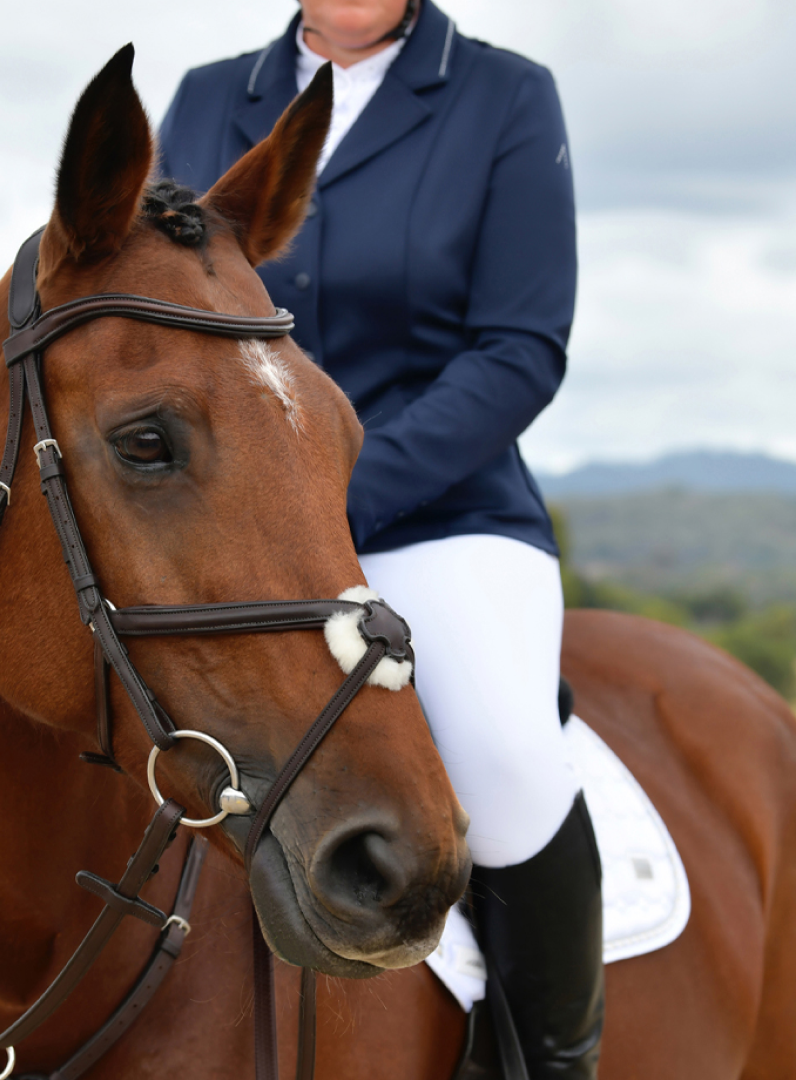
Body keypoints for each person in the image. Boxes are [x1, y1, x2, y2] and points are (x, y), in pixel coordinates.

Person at [157, 1, 602, 1077]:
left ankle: (553, 1061)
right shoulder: (209, 100)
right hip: (226, 523)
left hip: (439, 511)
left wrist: (340, 490)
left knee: (501, 759)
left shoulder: (504, 96)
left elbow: (520, 349)